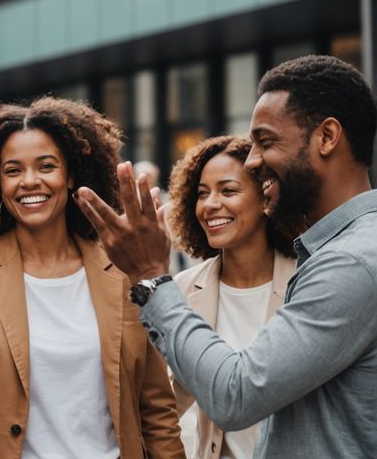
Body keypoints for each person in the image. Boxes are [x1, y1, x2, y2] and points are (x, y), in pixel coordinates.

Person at [75, 55, 377, 458]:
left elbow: (236, 394)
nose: (253, 160)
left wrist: (151, 276)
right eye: (202, 193)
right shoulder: (344, 249)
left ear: (326, 137)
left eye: (265, 142)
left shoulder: (351, 261)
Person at [0, 97, 184, 458]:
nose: (30, 181)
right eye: (13, 170)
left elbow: (156, 406)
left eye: (46, 166)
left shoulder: (121, 268)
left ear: (70, 175)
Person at [165, 135, 296, 459]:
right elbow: (165, 403)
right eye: (202, 193)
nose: (210, 205)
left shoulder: (305, 281)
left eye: (228, 190)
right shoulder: (183, 288)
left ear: (266, 197)